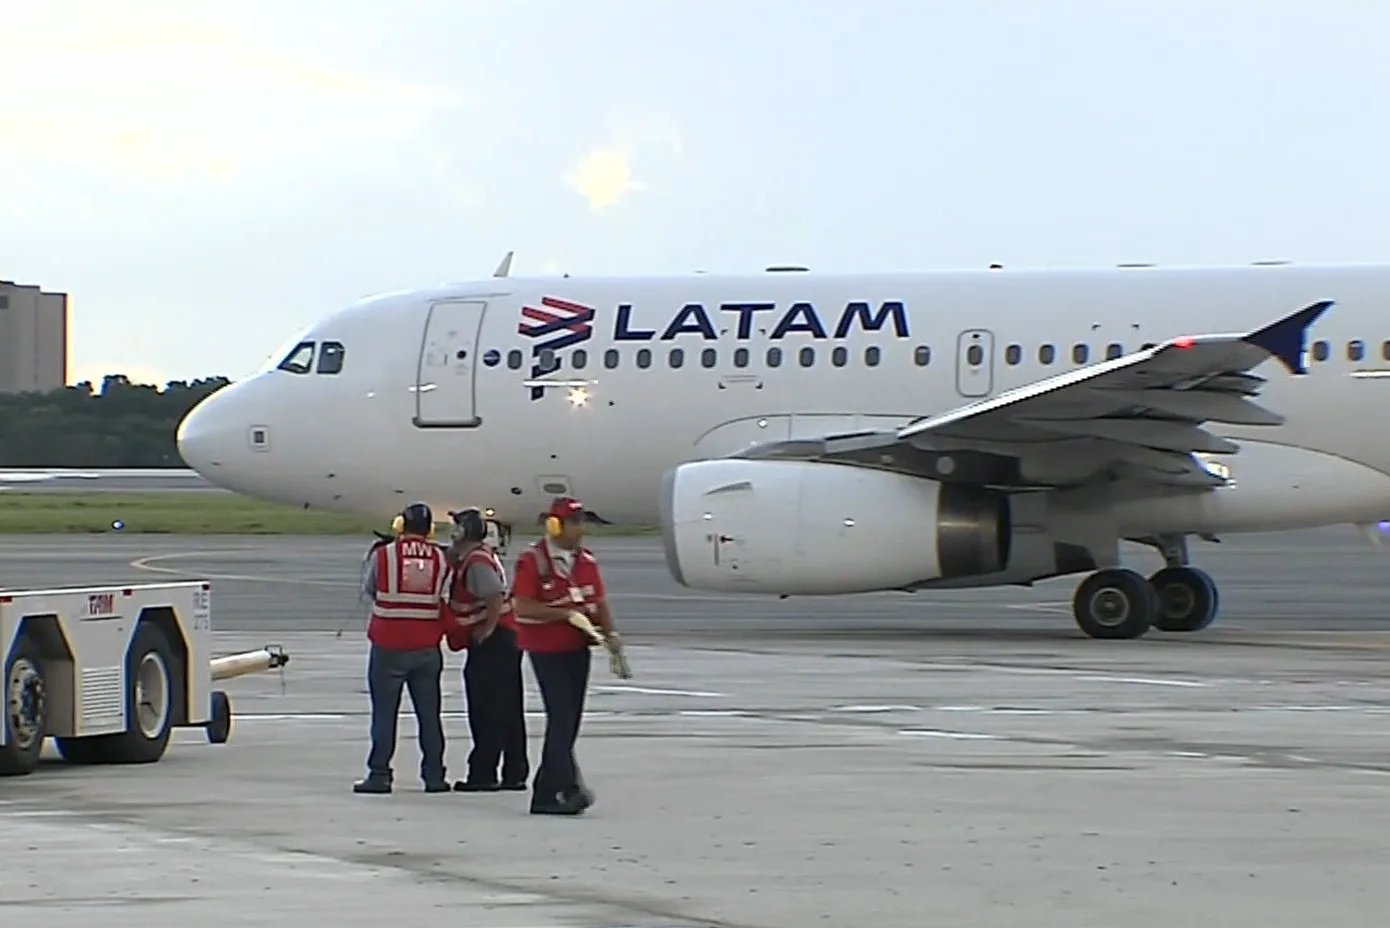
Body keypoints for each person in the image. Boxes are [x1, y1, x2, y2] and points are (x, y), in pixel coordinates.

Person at [511, 496, 621, 815]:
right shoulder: (533, 561)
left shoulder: (586, 562)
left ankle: (558, 788)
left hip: (577, 649)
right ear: (554, 524)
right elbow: (523, 605)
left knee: (569, 722)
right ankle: (552, 791)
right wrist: (562, 614)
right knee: (560, 720)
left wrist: (610, 634)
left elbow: (598, 601)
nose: (579, 529)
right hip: (546, 650)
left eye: (581, 522)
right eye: (573, 522)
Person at [353, 502, 453, 795]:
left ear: (400, 526)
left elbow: (370, 589)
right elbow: (446, 594)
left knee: (384, 713)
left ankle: (380, 774)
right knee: (430, 715)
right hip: (426, 645)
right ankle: (434, 776)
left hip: (388, 643)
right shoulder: (441, 557)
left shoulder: (384, 554)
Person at [442, 507, 530, 792]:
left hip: (494, 641)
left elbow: (494, 595)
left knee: (486, 708)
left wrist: (488, 627)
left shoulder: (477, 562)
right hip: (506, 639)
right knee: (507, 706)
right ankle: (514, 772)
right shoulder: (476, 556)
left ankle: (484, 773)